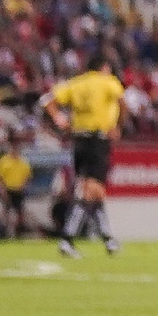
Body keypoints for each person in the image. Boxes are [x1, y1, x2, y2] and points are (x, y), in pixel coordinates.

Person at [44, 52, 127, 256]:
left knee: (93, 191)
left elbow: (48, 101)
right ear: (104, 67)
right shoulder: (107, 82)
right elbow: (123, 102)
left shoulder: (76, 83)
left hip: (78, 141)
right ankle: (67, 240)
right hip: (98, 140)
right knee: (91, 191)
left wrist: (59, 118)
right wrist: (118, 126)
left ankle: (108, 240)